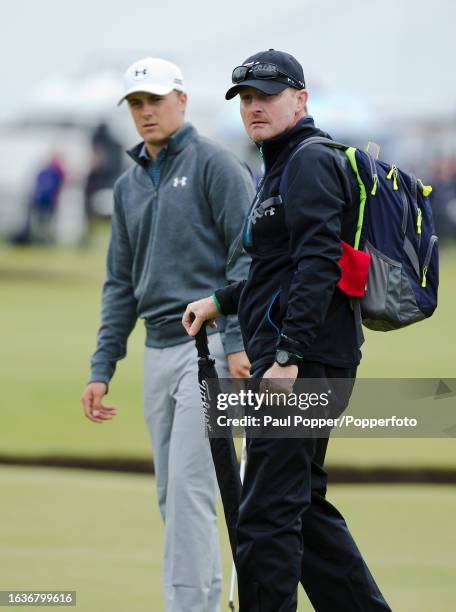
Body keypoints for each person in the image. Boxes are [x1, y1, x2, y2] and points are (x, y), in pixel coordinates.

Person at [183, 49, 392, 612]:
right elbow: (279, 265)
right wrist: (221, 301)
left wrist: (288, 356)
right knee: (302, 504)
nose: (255, 107)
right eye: (247, 98)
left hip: (303, 361)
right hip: (308, 357)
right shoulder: (279, 164)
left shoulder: (307, 161)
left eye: (267, 96)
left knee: (266, 513)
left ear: (300, 100)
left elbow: (319, 261)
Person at [81, 57, 254, 612]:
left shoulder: (215, 166)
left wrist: (238, 341)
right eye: (136, 103)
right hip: (158, 351)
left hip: (211, 351)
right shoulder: (129, 186)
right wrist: (102, 367)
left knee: (189, 492)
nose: (146, 111)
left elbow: (248, 260)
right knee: (172, 496)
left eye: (155, 99)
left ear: (181, 99)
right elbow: (119, 284)